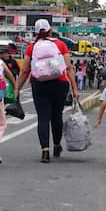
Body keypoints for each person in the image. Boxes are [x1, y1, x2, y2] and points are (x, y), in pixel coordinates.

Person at [14, 19, 79, 163]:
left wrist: (17, 88)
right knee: (56, 116)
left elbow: (25, 70)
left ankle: (45, 151)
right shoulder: (60, 44)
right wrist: (74, 88)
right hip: (59, 83)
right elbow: (68, 68)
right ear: (50, 30)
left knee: (43, 117)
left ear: (36, 32)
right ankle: (56, 145)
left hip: (39, 84)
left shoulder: (32, 46)